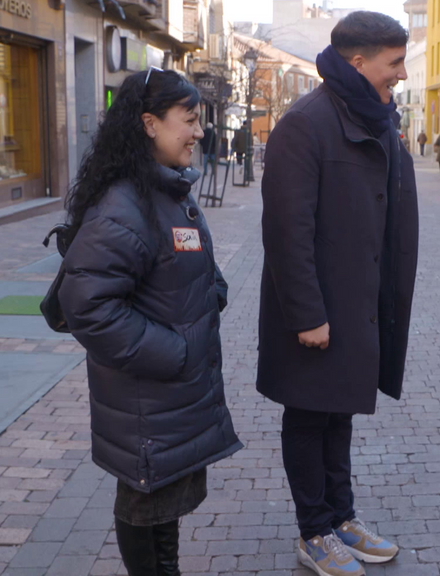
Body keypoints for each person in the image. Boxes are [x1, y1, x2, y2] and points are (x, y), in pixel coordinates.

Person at [58, 69, 242, 575]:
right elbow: (88, 306)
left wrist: (213, 291)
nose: (199, 132)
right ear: (148, 124)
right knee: (144, 505)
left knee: (164, 504)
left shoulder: (166, 191)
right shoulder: (125, 204)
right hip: (150, 394)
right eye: (189, 119)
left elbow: (185, 264)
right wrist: (175, 350)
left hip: (167, 396)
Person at [259, 11, 419, 576]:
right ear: (359, 62)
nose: (401, 74)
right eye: (394, 62)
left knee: (339, 413)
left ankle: (341, 517)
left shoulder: (376, 117)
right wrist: (307, 313)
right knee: (308, 416)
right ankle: (313, 531)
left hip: (357, 305)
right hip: (315, 311)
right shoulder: (306, 123)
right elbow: (285, 229)